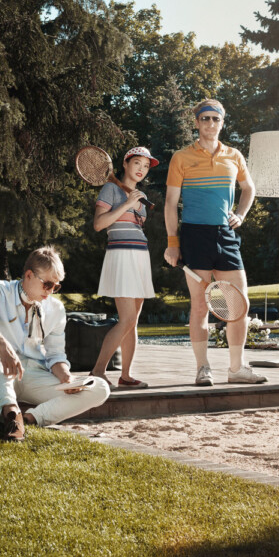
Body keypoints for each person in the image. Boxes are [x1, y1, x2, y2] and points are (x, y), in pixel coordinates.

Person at [163, 99, 267, 386]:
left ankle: (236, 369)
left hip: (226, 235)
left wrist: (241, 215)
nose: (210, 124)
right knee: (199, 307)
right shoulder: (181, 157)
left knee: (238, 305)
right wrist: (173, 243)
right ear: (196, 122)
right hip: (194, 235)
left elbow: (249, 188)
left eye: (215, 119)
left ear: (222, 123)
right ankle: (202, 368)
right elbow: (171, 203)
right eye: (205, 118)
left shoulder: (234, 155)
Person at [0, 246, 110, 441]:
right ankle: (10, 412)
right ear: (29, 275)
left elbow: (55, 355)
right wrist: (4, 346)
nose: (51, 291)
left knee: (99, 388)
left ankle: (29, 419)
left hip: (33, 377)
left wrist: (68, 379)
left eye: (56, 286)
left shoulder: (55, 308)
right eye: (47, 284)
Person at [89, 147, 159, 390]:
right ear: (126, 164)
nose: (141, 169)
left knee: (133, 321)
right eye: (137, 163)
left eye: (146, 166)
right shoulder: (110, 189)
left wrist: (133, 201)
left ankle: (126, 375)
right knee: (126, 318)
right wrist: (127, 204)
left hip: (140, 257)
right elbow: (99, 224)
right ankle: (98, 371)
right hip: (121, 256)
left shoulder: (139, 195)